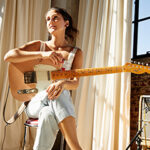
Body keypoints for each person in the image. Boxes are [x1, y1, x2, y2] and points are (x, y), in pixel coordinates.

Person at [4, 7, 83, 150]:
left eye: (55, 18)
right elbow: (9, 56)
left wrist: (63, 82)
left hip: (54, 103)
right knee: (57, 93)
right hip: (34, 102)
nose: (50, 21)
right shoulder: (39, 46)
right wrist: (42, 55)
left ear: (66, 23)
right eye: (48, 19)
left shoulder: (75, 53)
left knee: (48, 113)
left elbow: (75, 83)